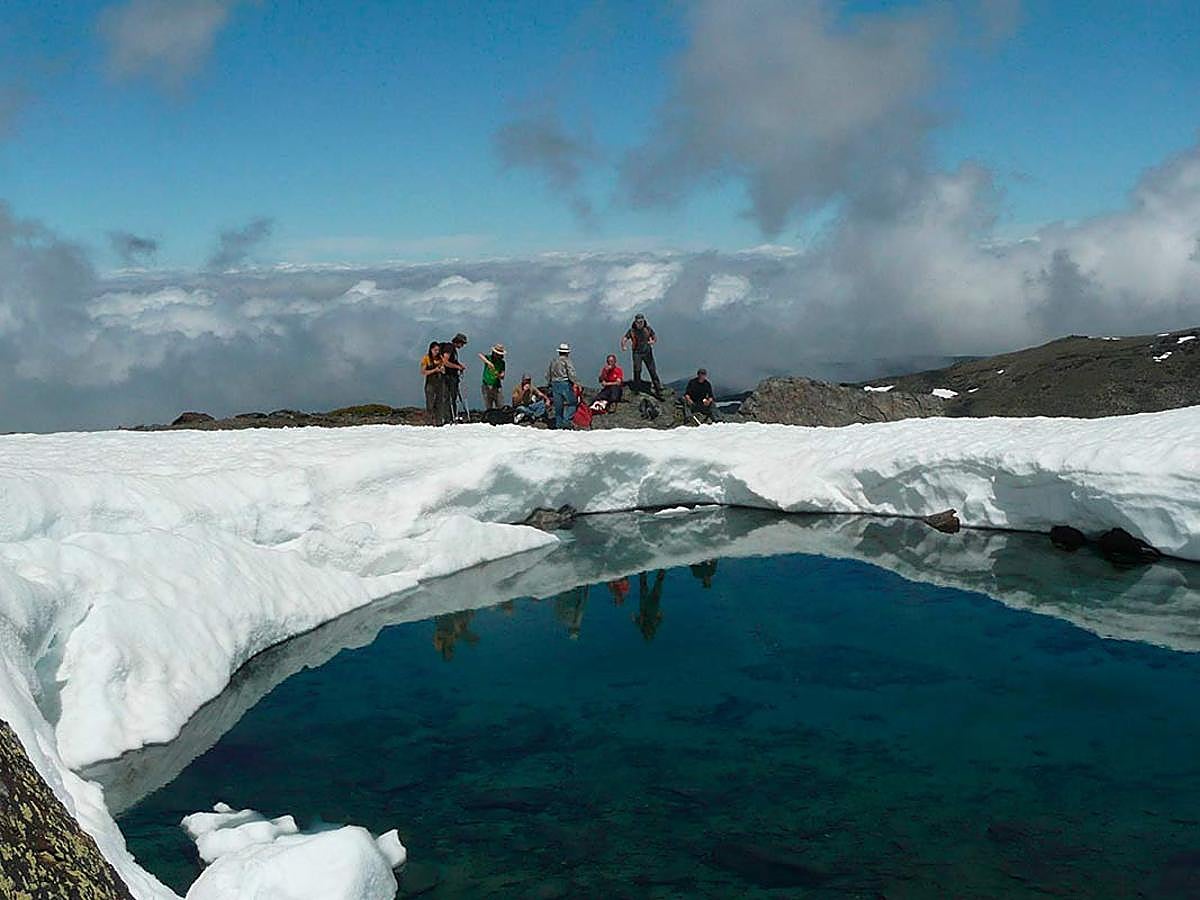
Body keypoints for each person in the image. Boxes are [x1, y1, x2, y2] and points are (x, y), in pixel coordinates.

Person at [620, 313, 662, 399]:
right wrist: (623, 345)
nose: (639, 323)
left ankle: (658, 390)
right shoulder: (632, 331)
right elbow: (625, 338)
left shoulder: (648, 329)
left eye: (641, 322)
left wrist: (652, 341)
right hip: (637, 353)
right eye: (638, 322)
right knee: (637, 370)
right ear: (635, 322)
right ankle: (637, 389)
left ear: (644, 321)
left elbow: (654, 337)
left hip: (647, 352)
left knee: (652, 370)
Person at [545, 342, 579, 429]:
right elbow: (571, 373)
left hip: (554, 384)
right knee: (572, 403)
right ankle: (566, 420)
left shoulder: (553, 361)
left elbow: (548, 374)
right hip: (565, 383)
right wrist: (576, 382)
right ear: (567, 353)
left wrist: (549, 384)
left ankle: (558, 424)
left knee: (558, 406)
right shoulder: (567, 361)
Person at [438, 332, 468, 421]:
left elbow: (452, 361)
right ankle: (449, 417)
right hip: (448, 377)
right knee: (449, 397)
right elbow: (445, 362)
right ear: (458, 342)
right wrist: (458, 367)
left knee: (452, 397)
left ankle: (451, 416)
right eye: (462, 344)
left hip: (452, 376)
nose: (462, 346)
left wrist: (459, 365)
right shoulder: (449, 348)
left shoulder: (453, 350)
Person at [420, 341, 446, 425]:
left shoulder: (440, 358)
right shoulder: (426, 358)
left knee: (439, 402)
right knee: (430, 403)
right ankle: (429, 422)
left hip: (439, 382)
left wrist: (442, 370)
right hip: (430, 383)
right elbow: (423, 372)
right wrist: (434, 370)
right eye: (435, 350)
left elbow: (443, 368)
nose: (437, 352)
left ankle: (439, 422)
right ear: (431, 350)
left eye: (438, 350)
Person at [478, 343, 506, 411]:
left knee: (500, 406)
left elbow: (502, 374)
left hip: (496, 386)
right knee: (489, 406)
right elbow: (480, 355)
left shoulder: (502, 362)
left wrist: (499, 375)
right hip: (486, 385)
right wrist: (488, 363)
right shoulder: (489, 358)